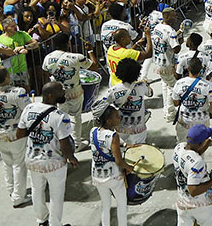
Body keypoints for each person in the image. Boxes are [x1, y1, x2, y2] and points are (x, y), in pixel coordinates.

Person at [16, 81, 77, 226]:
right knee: (56, 195)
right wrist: (71, 158)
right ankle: (55, 223)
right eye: (60, 91)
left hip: (32, 160)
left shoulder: (29, 108)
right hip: (54, 163)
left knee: (37, 191)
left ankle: (42, 220)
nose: (64, 93)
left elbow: (19, 134)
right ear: (50, 96)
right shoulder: (60, 116)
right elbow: (65, 145)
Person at [0, 65, 30, 208]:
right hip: (16, 134)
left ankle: (11, 189)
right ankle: (18, 197)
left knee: (7, 162)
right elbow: (27, 110)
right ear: (7, 77)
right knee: (19, 165)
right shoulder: (18, 92)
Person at [41, 31, 97, 150]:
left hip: (57, 92)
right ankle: (76, 143)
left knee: (61, 118)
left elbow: (46, 74)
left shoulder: (48, 58)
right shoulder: (76, 57)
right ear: (68, 43)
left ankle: (63, 143)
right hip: (74, 91)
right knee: (75, 117)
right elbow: (94, 66)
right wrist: (90, 51)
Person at [172, 123, 212, 226]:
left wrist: (211, 138)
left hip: (182, 202)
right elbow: (193, 190)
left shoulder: (179, 148)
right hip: (201, 206)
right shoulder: (197, 162)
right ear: (200, 143)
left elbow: (195, 152)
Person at [88, 98, 130, 226]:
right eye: (117, 116)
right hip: (113, 177)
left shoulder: (93, 131)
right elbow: (119, 161)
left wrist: (125, 144)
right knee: (122, 204)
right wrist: (130, 167)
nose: (119, 118)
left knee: (105, 205)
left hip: (97, 176)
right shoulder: (113, 136)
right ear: (109, 121)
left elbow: (103, 144)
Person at [106, 57, 153, 145]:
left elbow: (104, 105)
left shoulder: (113, 90)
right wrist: (146, 84)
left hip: (120, 129)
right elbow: (150, 93)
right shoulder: (141, 86)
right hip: (138, 131)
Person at [172, 56, 212, 143]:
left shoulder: (179, 83)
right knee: (199, 148)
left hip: (184, 122)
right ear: (201, 69)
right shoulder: (208, 85)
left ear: (188, 68)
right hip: (201, 123)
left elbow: (175, 102)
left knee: (182, 146)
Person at [150, 7, 182, 122]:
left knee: (165, 85)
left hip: (157, 62)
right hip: (167, 64)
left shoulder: (157, 27)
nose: (176, 17)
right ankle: (170, 113)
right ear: (167, 17)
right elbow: (176, 49)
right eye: (174, 15)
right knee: (173, 87)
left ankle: (166, 110)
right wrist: (179, 38)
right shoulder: (170, 30)